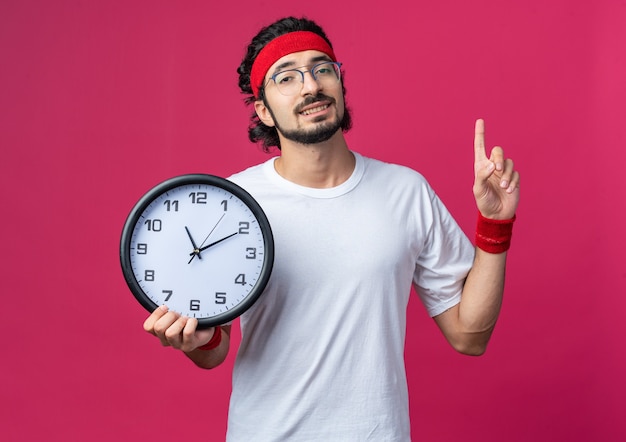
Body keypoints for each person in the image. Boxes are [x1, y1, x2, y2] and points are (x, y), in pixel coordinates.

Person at [143, 16, 520, 441]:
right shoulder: (232, 202)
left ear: (340, 83)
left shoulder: (405, 191)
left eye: (322, 69)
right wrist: (195, 339)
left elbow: (469, 335)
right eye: (287, 77)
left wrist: (496, 223)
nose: (310, 86)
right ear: (263, 109)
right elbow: (215, 348)